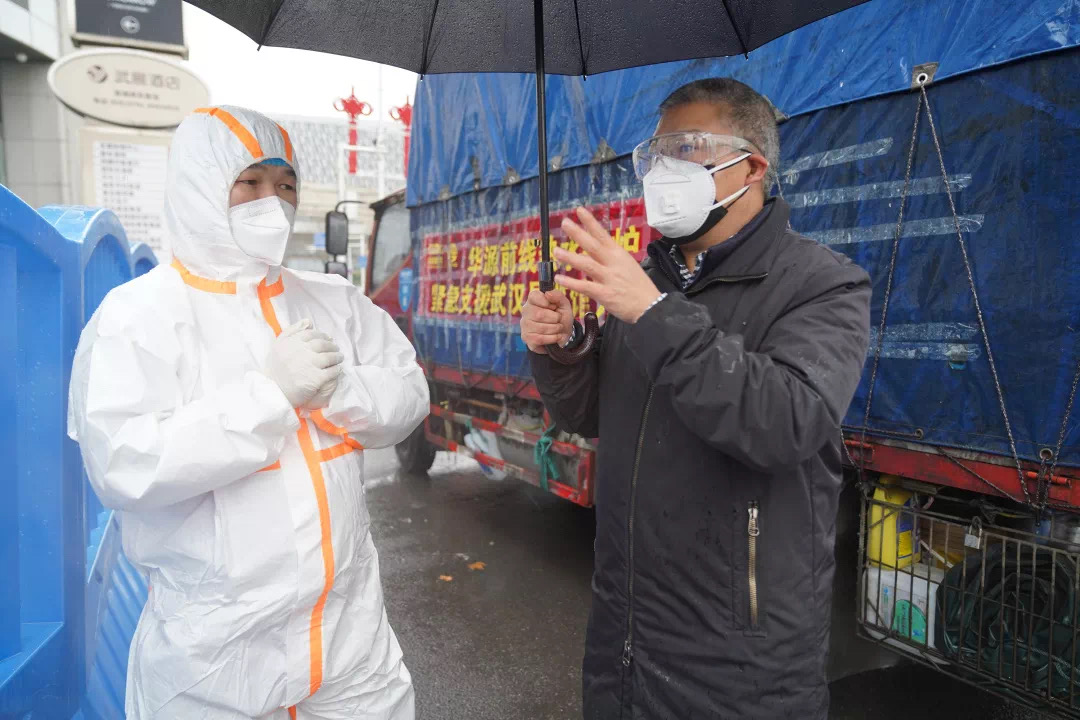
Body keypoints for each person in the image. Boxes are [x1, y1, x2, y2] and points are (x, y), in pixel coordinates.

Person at [521, 78, 872, 719]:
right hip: (623, 647)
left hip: (743, 670)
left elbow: (787, 423)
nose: (663, 170)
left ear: (752, 167)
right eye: (655, 154)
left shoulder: (822, 284)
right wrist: (563, 347)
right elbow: (590, 417)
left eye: (686, 149)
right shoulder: (646, 282)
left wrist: (655, 315)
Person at [68, 106, 428, 720]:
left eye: (286, 184)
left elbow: (409, 394)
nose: (273, 202)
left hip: (350, 643)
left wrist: (340, 391)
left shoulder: (333, 300)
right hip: (214, 662)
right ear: (201, 186)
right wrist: (269, 398)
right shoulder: (139, 316)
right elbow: (124, 464)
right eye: (250, 182)